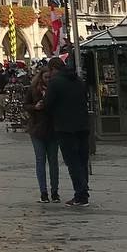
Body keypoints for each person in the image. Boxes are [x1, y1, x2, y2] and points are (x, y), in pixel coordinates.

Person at [44, 58, 90, 207]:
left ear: (52, 69)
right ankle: (83, 192)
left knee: (72, 162)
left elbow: (48, 104)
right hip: (83, 125)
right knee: (82, 160)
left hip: (65, 127)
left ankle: (81, 194)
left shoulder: (55, 82)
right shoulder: (78, 80)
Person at [24, 66, 60, 202]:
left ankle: (55, 192)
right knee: (40, 161)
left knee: (53, 162)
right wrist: (35, 107)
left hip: (53, 129)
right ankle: (43, 192)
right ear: (40, 77)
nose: (48, 80)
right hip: (37, 130)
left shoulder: (55, 90)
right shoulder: (33, 90)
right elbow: (25, 105)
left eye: (50, 77)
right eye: (46, 77)